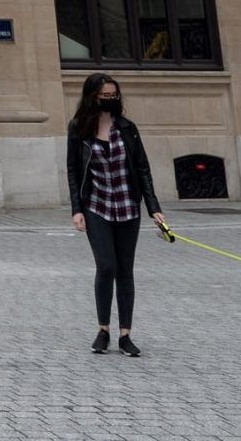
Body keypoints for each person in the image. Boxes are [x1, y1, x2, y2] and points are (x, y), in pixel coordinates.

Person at [66, 71, 167, 355]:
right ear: (92, 98)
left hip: (127, 206)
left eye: (114, 95)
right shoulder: (78, 128)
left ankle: (125, 334)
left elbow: (142, 168)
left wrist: (154, 207)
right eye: (105, 96)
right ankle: (103, 330)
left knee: (125, 269)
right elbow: (73, 171)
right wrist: (77, 209)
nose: (110, 100)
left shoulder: (127, 127)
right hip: (96, 205)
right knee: (106, 265)